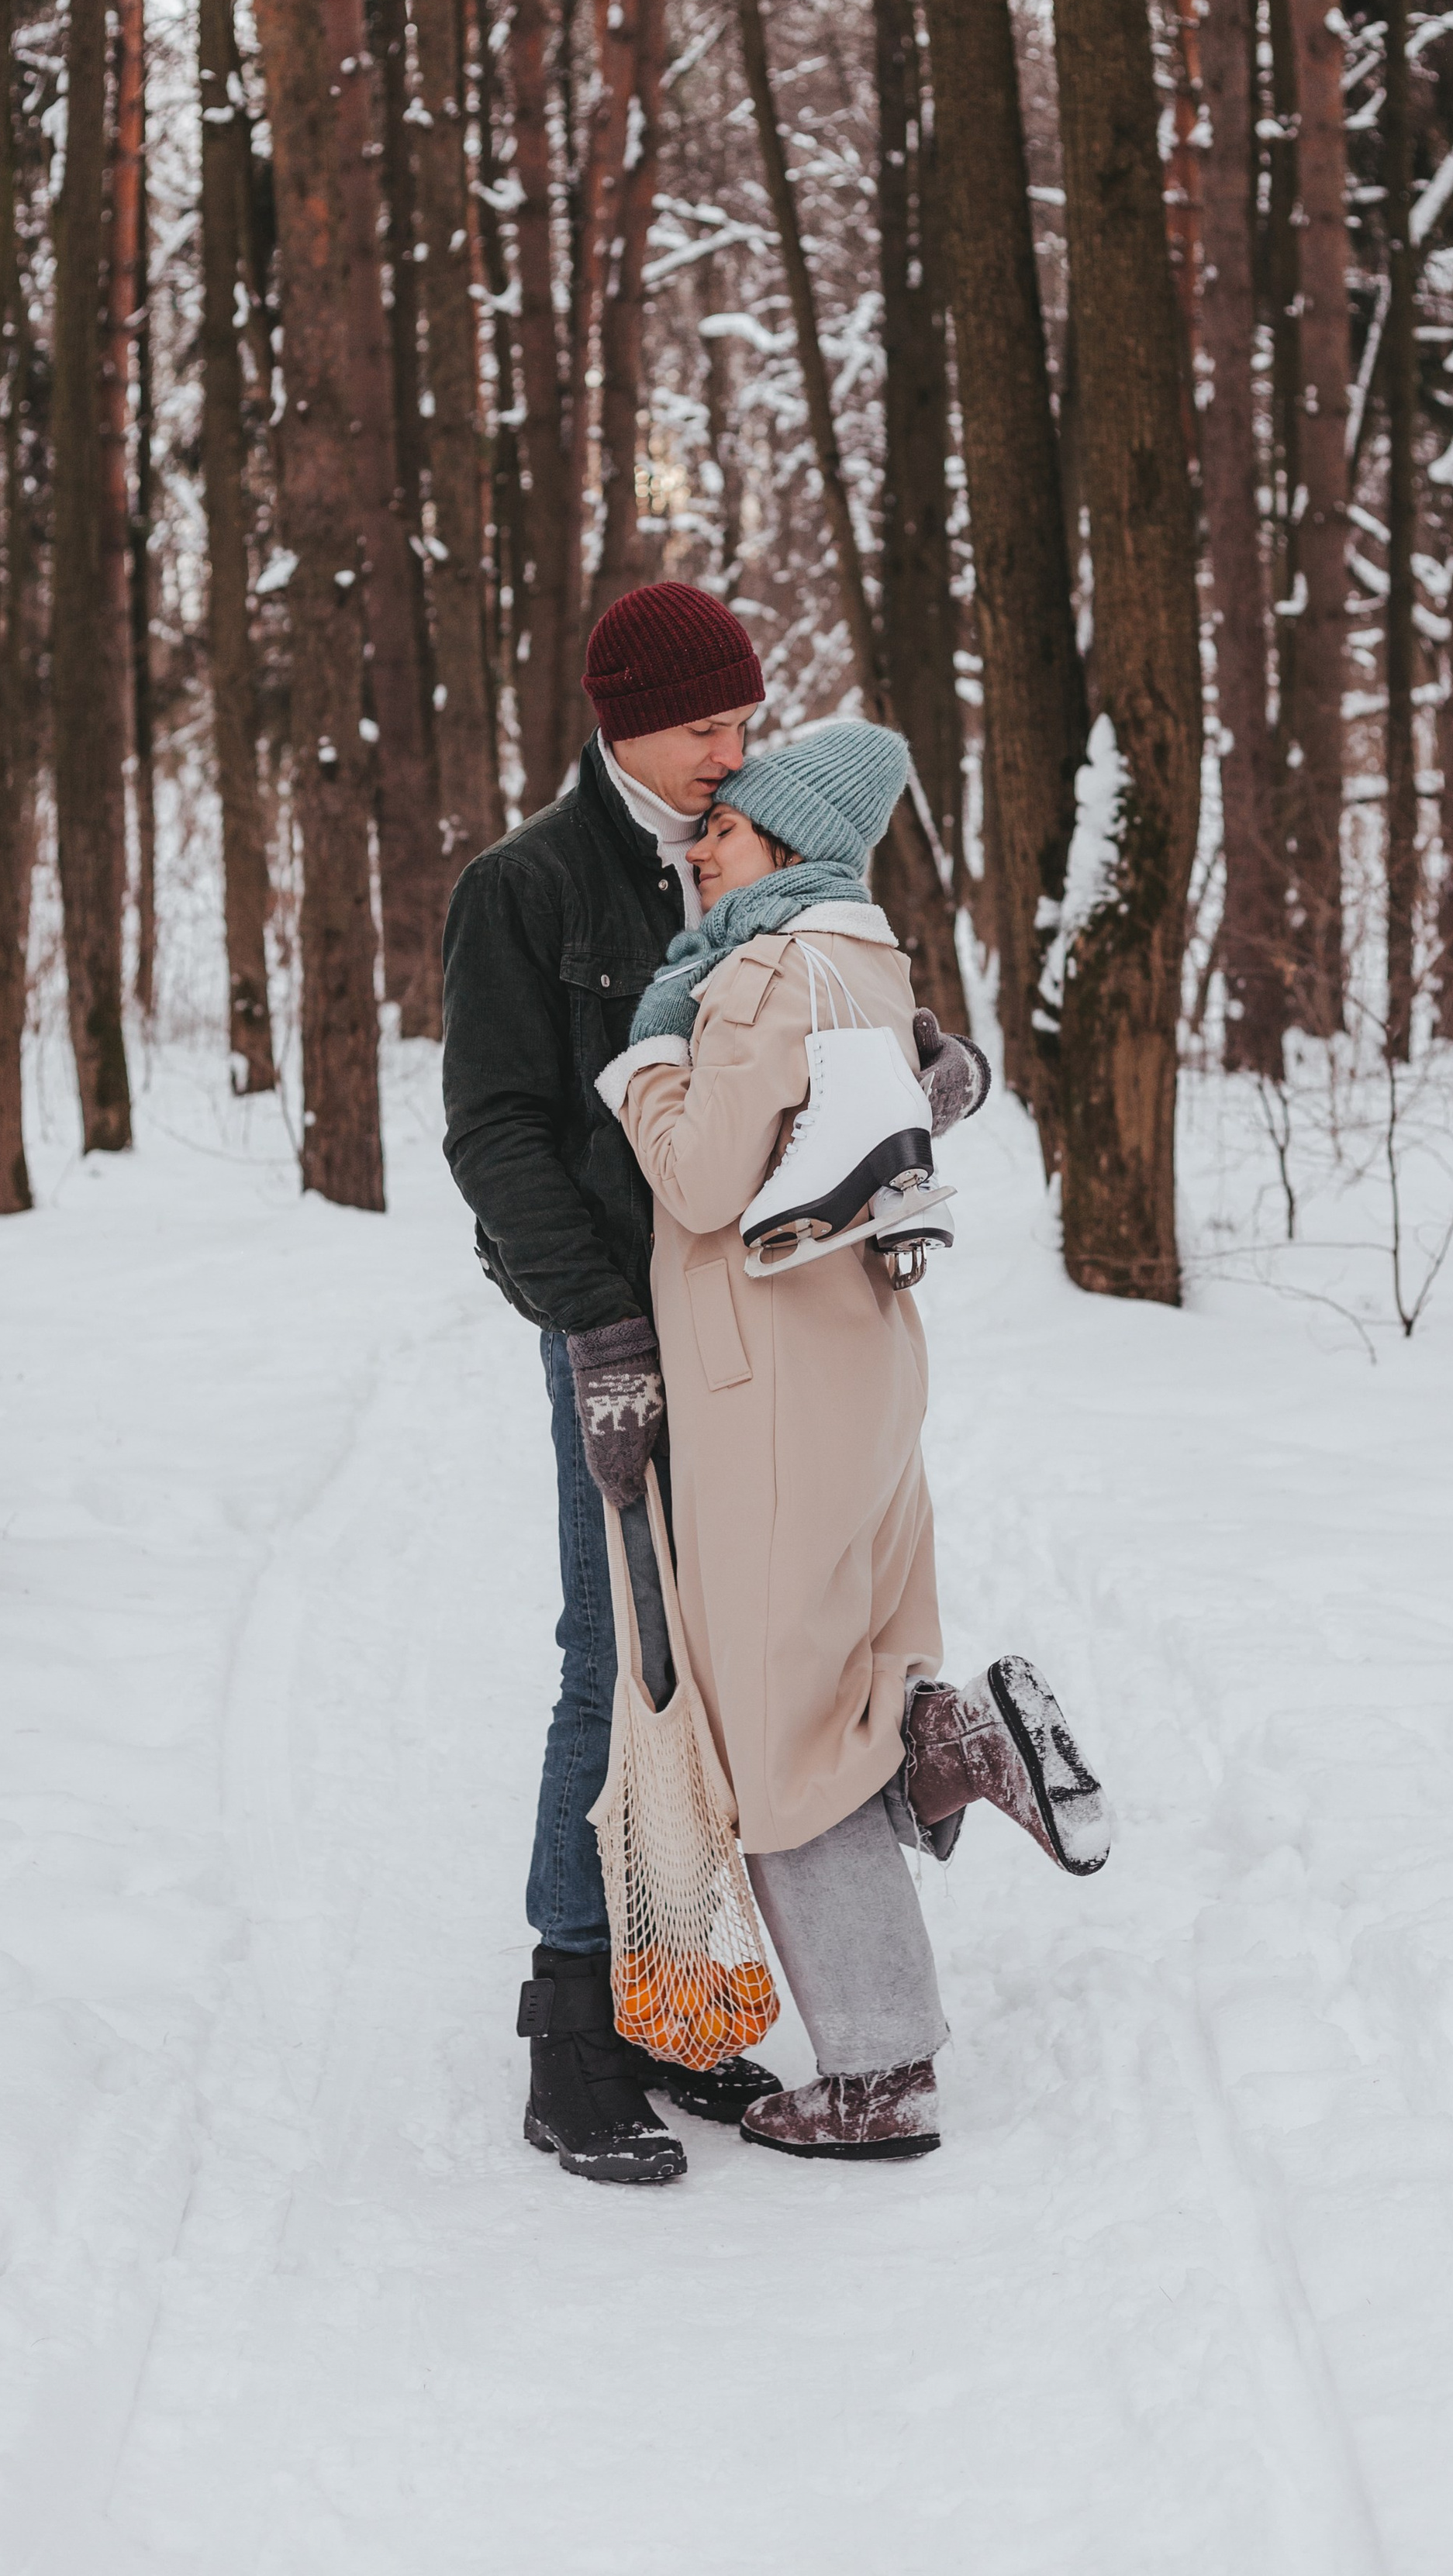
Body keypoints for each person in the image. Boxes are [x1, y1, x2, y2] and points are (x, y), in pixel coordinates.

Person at [439, 584, 990, 2187]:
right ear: (615, 719)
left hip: (763, 1341)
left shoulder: (755, 844)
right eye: (699, 729)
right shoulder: (526, 885)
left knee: (743, 1670)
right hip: (622, 1330)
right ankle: (573, 2031)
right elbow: (496, 1135)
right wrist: (596, 1333)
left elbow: (828, 1029)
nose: (725, 758)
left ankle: (674, 2004)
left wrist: (930, 1071)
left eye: (743, 726)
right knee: (619, 1660)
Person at [595, 719, 1109, 2162]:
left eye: (731, 833)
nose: (702, 848)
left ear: (792, 850)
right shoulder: (866, 958)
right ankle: (950, 1741)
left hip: (765, 1385)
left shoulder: (765, 971)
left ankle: (881, 2075)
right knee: (837, 1683)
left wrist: (644, 1064)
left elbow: (701, 1183)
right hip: (860, 1364)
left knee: (773, 1737)